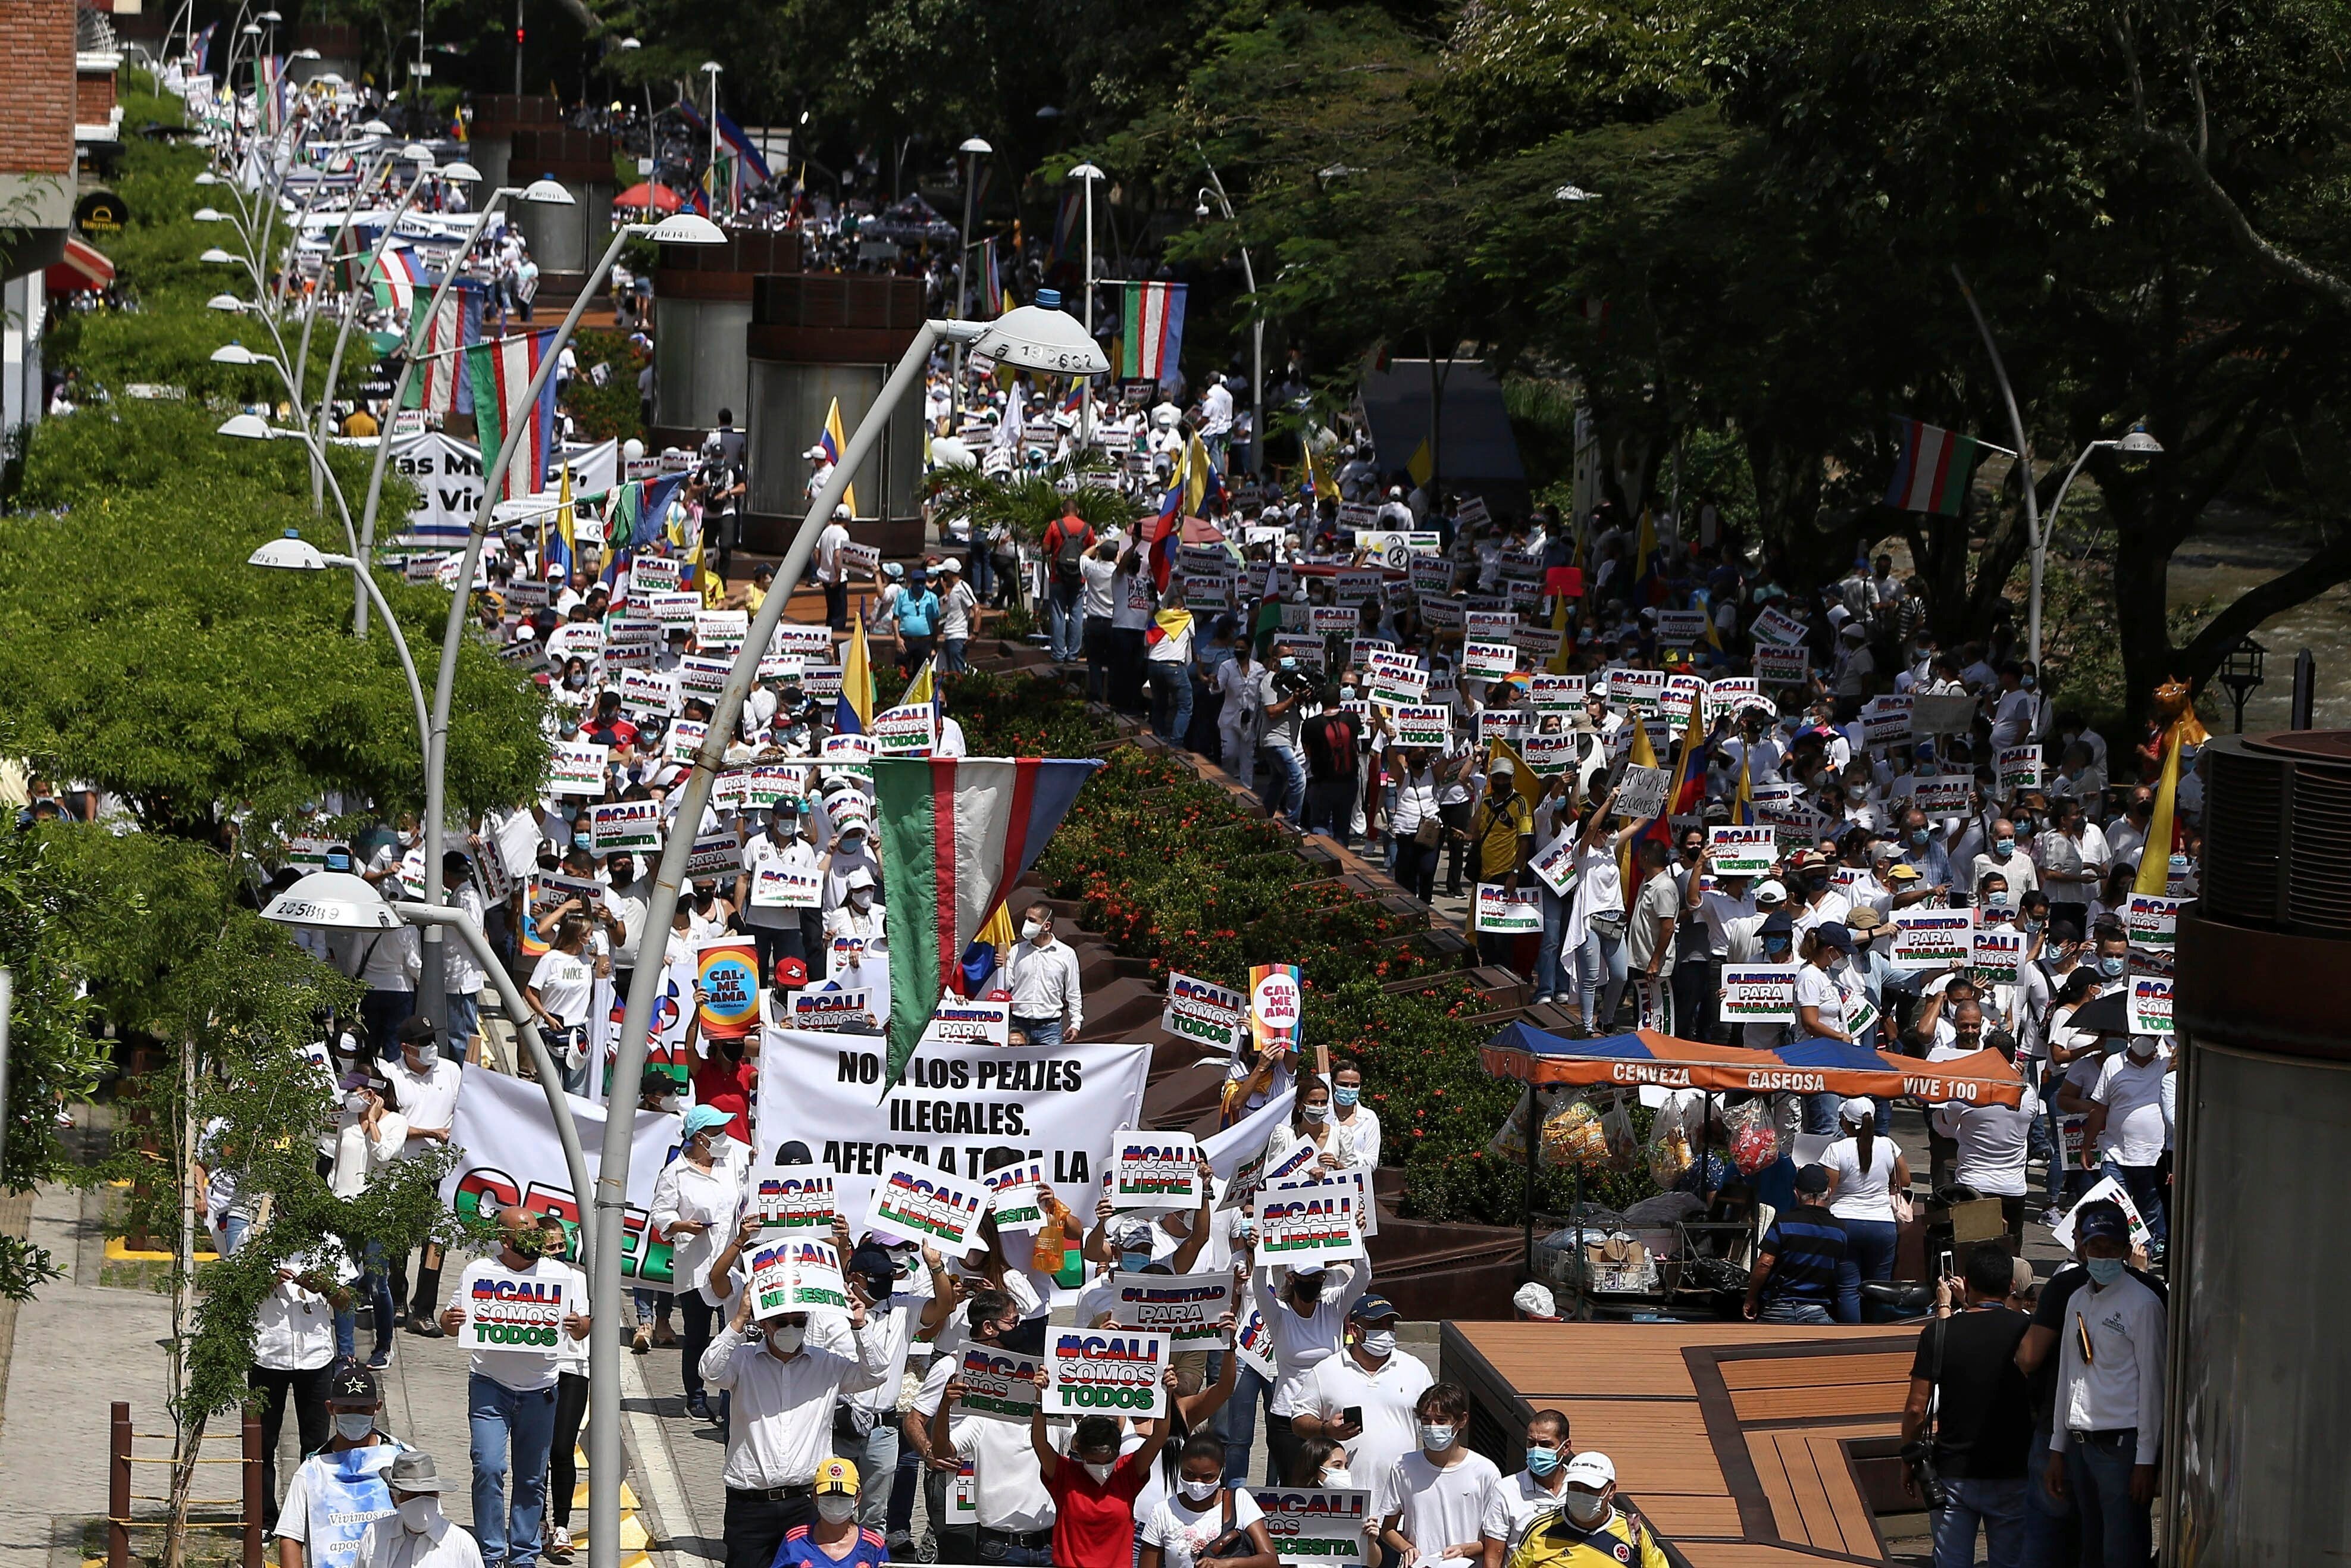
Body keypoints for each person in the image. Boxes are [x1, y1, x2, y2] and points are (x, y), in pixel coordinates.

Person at [700, 1268, 891, 1568]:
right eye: (781, 1322)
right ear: (764, 1323)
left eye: (799, 1322)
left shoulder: (826, 1364)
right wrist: (738, 1319)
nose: (791, 1328)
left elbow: (877, 1373)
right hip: (750, 1506)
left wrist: (860, 1325)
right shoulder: (744, 1360)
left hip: (805, 1505)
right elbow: (710, 1371)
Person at [436, 1206, 590, 1568]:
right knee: (488, 1467)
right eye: (528, 1235)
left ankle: (524, 1554)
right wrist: (451, 1320)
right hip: (490, 1387)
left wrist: (577, 1324)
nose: (537, 1240)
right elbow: (446, 1322)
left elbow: (584, 1326)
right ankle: (491, 1553)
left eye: (539, 1232)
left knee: (532, 1477)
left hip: (542, 1390)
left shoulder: (562, 1275)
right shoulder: (479, 1271)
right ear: (505, 1240)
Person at [2036, 1203, 2164, 1568]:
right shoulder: (2077, 1300)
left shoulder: (2143, 1304)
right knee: (2090, 1548)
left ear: (2126, 1251)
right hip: (2080, 1446)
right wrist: (2058, 1449)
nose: (2103, 1256)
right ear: (2082, 1250)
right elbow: (2067, 1378)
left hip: (2121, 1447)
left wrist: (2145, 1460)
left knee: (2121, 1551)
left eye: (2111, 1248)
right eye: (2096, 1248)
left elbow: (2153, 1387)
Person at [1899, 1242, 2033, 1568]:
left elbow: (1917, 1408)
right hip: (2014, 1469)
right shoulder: (2029, 1332)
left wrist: (1909, 1456)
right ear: (2011, 1287)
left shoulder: (1939, 1333)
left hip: (1953, 1471)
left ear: (1967, 1285)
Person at [649, 1105, 744, 1423]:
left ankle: (729, 1395)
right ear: (701, 1138)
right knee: (697, 1335)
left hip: (731, 1263)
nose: (724, 1137)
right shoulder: (675, 1173)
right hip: (697, 1265)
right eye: (717, 1132)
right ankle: (696, 1395)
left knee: (731, 1330)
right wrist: (680, 1225)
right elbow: (660, 1214)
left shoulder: (732, 1161)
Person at [1291, 1294, 1432, 1507]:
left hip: (1400, 1503)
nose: (1385, 1331)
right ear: (1353, 1330)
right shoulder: (1326, 1370)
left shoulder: (1416, 1370)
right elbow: (1299, 1421)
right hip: (1343, 1502)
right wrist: (1326, 1429)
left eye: (1390, 1324)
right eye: (1376, 1324)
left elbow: (1436, 1423)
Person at [253, 1245, 355, 1518]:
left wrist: (324, 1285)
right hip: (267, 1354)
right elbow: (234, 1291)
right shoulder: (256, 1235)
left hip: (315, 1357)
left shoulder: (327, 1241)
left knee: (316, 1445)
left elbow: (346, 1302)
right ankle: (264, 1517)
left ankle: (307, 1515)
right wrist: (265, 1281)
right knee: (261, 1443)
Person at [1251, 1259, 1372, 1486]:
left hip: (1329, 1416)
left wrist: (1359, 1243)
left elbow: (1363, 1278)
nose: (1312, 1283)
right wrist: (1261, 1255)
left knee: (1334, 1485)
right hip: (1287, 1418)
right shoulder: (1279, 1314)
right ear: (1291, 1278)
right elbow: (1259, 1287)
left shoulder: (1333, 1307)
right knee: (1294, 1489)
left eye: (1317, 1278)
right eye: (1306, 1279)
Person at [1033, 1383, 1179, 1568]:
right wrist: (1040, 1398)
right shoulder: (1064, 1474)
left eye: (1107, 1461)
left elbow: (1159, 1436)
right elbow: (1040, 1443)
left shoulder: (1127, 1473)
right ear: (1081, 1454)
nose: (1102, 1467)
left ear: (1117, 1453)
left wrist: (1166, 1394)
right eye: (1094, 1462)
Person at [275, 1361, 403, 1568]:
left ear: (377, 1408)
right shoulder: (311, 1471)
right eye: (346, 1408)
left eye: (363, 1409)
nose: (355, 1415)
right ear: (331, 1408)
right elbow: (290, 1538)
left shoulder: (402, 1459)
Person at [1376, 1385, 1503, 1568]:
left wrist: (1465, 1550)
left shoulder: (1485, 1471)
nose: (1432, 1427)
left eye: (1441, 1421)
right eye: (1426, 1420)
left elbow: (1496, 1540)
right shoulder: (1403, 1466)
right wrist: (1407, 1549)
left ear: (1462, 1421)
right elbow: (1387, 1529)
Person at [1822, 1097, 1909, 1324]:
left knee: (1848, 1288)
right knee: (1880, 1289)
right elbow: (1906, 1180)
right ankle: (1877, 1336)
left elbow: (1827, 1190)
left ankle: (1852, 1338)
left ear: (1846, 1123)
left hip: (1845, 1223)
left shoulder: (1836, 1149)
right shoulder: (1889, 1146)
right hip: (1882, 1224)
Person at [1501, 1453, 1668, 1568]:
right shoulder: (1541, 1529)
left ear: (1611, 1491)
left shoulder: (1634, 1528)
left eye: (1591, 1489)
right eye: (1575, 1487)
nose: (1582, 1495)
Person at [1138, 1434, 1279, 1568]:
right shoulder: (1162, 1512)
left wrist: (1226, 1564)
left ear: (1221, 1470)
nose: (1197, 1483)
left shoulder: (1240, 1501)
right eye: (1190, 1475)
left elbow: (1270, 1560)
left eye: (1207, 1477)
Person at [2084, 1035, 2170, 1254]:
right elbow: (2099, 1108)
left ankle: (2140, 1266)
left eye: (2152, 1036)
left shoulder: (2168, 1064)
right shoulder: (2113, 1063)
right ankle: (2114, 1261)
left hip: (2155, 1159)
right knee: (2113, 1216)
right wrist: (2087, 1145)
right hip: (2116, 1156)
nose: (2145, 1040)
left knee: (2146, 1222)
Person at [1742, 1164, 1846, 1325]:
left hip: (1778, 1309)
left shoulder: (1783, 1223)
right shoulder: (1839, 1231)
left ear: (1796, 1194)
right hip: (1817, 1311)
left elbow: (1765, 1263)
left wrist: (1751, 1297)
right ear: (1829, 1193)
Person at [352, 1450, 482, 1568]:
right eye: (412, 1494)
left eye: (430, 1493)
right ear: (394, 1497)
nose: (423, 1502)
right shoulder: (375, 1535)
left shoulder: (462, 1545)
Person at [1479, 1409, 1574, 1567]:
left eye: (1546, 1445)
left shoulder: (1581, 1487)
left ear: (1566, 1448)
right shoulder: (1506, 1489)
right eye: (1531, 1443)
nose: (1537, 1450)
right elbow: (1493, 1557)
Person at [769, 1459, 890, 1568]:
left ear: (857, 1498)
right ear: (815, 1497)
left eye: (844, 1495)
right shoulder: (795, 1541)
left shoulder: (873, 1546)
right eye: (828, 1494)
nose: (836, 1500)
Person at [1003, 901, 1083, 1047]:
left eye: (1032, 920)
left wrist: (1076, 1022)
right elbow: (1006, 985)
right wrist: (1001, 968)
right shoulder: (1017, 950)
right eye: (1026, 919)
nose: (1026, 923)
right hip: (1018, 1024)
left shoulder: (1066, 954)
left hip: (1049, 1027)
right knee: (1016, 1069)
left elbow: (1073, 991)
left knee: (1049, 1069)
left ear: (1047, 926)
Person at [1300, 687, 1362, 844]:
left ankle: (1323, 861)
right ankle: (1342, 863)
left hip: (1322, 783)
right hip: (1349, 782)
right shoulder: (1353, 719)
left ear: (1321, 702)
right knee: (1342, 828)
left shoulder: (1310, 725)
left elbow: (1308, 752)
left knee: (1320, 825)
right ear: (1340, 700)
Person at [1044, 509, 1096, 663]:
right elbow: (1093, 553)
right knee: (1076, 615)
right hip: (1078, 578)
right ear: (1079, 511)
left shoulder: (1055, 525)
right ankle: (1073, 654)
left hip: (1058, 577)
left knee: (1058, 615)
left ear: (1062, 510)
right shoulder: (1087, 528)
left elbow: (1045, 549)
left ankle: (1058, 654)